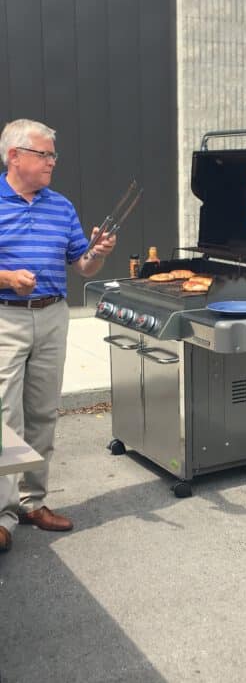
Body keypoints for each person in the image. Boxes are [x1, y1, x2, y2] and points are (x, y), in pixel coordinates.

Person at [0, 119, 116, 554]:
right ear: (15, 156)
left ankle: (33, 502)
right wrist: (8, 278)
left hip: (52, 316)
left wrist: (97, 254)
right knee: (5, 418)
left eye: (53, 155)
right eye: (44, 154)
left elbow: (81, 266)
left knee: (44, 413)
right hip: (5, 317)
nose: (52, 161)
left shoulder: (60, 206)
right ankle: (2, 515)